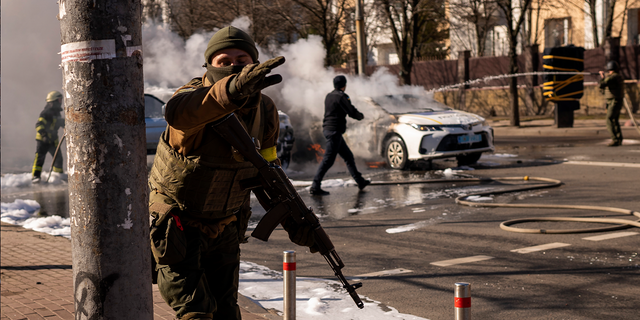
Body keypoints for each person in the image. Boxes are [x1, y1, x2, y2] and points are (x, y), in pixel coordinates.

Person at [147, 26, 315, 320]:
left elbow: (269, 171)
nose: (235, 65)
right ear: (209, 65)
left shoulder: (265, 109)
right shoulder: (192, 97)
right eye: (224, 61)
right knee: (196, 312)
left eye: (243, 58)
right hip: (178, 226)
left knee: (226, 311)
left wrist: (295, 220)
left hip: (225, 225)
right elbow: (178, 113)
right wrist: (231, 90)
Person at [310, 75, 370, 195]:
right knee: (328, 160)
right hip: (334, 131)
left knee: (348, 156)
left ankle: (360, 181)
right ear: (344, 85)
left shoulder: (329, 96)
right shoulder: (342, 96)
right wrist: (361, 116)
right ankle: (315, 186)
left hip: (329, 130)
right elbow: (351, 112)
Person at [32, 91, 65, 183]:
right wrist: (44, 135)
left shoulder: (57, 113)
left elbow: (59, 122)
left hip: (53, 140)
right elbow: (39, 125)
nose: (60, 102)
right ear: (53, 101)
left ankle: (58, 175)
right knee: (40, 158)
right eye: (59, 100)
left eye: (60, 100)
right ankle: (36, 177)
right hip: (43, 140)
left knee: (58, 157)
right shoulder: (45, 113)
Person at [599, 60, 624, 146]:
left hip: (614, 101)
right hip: (614, 101)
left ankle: (615, 139)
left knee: (609, 119)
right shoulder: (616, 76)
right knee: (614, 120)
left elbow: (602, 84)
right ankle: (618, 138)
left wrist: (602, 77)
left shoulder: (613, 77)